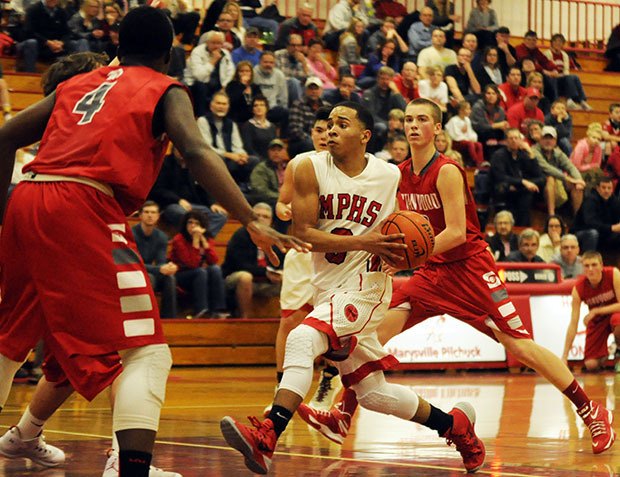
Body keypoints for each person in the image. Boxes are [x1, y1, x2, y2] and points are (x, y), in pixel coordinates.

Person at [0, 8, 306, 477]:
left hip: (28, 196)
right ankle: (132, 468)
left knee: (7, 340)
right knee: (145, 349)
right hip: (85, 203)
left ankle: (31, 435)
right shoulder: (162, 87)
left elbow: (5, 137)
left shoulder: (78, 83)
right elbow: (198, 151)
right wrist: (249, 218)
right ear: (169, 54)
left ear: (119, 45)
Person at [297, 98, 615, 459]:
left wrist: (407, 257)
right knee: (369, 337)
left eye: (422, 120)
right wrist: (393, 253)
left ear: (437, 129)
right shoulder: (399, 174)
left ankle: (591, 410)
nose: (413, 125)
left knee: (521, 347)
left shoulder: (446, 170)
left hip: (470, 270)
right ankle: (342, 414)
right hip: (432, 273)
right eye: (409, 119)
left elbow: (457, 233)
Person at [220, 101, 486, 475]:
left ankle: (267, 435)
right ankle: (455, 426)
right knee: (375, 394)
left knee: (301, 339)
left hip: (368, 286)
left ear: (364, 136)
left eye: (341, 125)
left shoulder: (389, 175)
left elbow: (422, 215)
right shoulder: (307, 167)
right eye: (328, 124)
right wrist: (365, 241)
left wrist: (411, 247)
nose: (330, 130)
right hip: (328, 287)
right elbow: (305, 235)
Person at [222, 203, 285, 318]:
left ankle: (282, 317)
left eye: (265, 217)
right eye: (257, 216)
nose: (261, 219)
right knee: (245, 277)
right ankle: (246, 316)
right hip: (235, 279)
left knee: (288, 277)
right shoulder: (240, 235)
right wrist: (266, 272)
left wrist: (279, 272)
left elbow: (281, 261)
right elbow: (239, 264)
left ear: (271, 221)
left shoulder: (273, 238)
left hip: (265, 281)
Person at [149, 147, 229, 238]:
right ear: (174, 150)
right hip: (172, 205)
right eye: (179, 149)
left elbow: (202, 187)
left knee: (220, 216)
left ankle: (202, 238)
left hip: (194, 205)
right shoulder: (165, 163)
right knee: (183, 214)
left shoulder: (194, 164)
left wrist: (211, 204)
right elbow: (158, 190)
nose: (182, 152)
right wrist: (178, 200)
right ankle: (191, 239)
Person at [563, 251, 620, 371]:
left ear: (601, 265)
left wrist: (596, 311)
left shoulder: (613, 274)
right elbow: (573, 324)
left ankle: (618, 352)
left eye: (594, 265)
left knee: (618, 321)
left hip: (615, 314)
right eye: (586, 266)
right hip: (598, 321)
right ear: (583, 268)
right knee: (591, 365)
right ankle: (606, 352)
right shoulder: (578, 288)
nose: (590, 269)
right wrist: (564, 356)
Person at [169, 211, 228, 318]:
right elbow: (191, 264)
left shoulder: (207, 238)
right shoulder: (179, 239)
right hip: (181, 274)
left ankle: (218, 309)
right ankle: (201, 310)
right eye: (190, 223)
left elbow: (214, 260)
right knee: (200, 272)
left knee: (215, 269)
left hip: (200, 274)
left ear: (202, 226)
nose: (193, 226)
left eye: (196, 223)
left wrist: (203, 241)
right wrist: (195, 242)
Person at [197, 90, 260, 189]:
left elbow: (238, 146)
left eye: (224, 104)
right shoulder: (203, 121)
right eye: (218, 103)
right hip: (213, 159)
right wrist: (229, 155)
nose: (221, 106)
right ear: (211, 105)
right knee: (228, 164)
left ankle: (247, 187)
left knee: (253, 161)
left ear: (228, 107)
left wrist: (242, 155)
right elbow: (207, 148)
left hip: (230, 159)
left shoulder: (231, 124)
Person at [490, 128, 545, 226]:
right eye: (511, 138)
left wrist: (531, 153)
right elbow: (500, 176)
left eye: (516, 138)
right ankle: (520, 227)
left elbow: (539, 176)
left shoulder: (523, 154)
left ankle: (523, 228)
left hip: (520, 189)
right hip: (504, 190)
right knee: (519, 192)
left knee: (536, 186)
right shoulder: (498, 155)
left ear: (521, 140)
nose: (514, 140)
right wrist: (522, 182)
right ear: (506, 141)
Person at [133, 201, 178, 319]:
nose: (150, 215)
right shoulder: (131, 234)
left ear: (158, 216)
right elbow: (134, 263)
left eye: (153, 212)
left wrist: (168, 268)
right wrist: (159, 268)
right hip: (133, 272)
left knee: (170, 278)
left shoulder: (161, 236)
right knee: (150, 278)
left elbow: (160, 262)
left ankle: (169, 318)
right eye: (146, 212)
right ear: (140, 216)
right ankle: (146, 317)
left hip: (149, 271)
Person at [534, 125, 585, 216]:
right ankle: (552, 216)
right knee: (550, 178)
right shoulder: (534, 150)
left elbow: (571, 167)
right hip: (537, 185)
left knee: (577, 186)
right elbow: (546, 168)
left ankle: (578, 218)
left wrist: (579, 180)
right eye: (545, 138)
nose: (548, 141)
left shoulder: (558, 152)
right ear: (540, 139)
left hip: (557, 182)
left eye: (551, 138)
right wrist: (567, 178)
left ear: (555, 141)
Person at [184, 31, 235, 117]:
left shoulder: (225, 53)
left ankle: (227, 120)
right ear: (207, 42)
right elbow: (199, 76)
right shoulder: (197, 52)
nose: (216, 46)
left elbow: (231, 71)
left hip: (219, 85)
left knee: (233, 88)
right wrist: (213, 61)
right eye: (214, 43)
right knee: (201, 87)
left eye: (219, 43)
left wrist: (225, 85)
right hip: (197, 84)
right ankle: (201, 118)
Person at [544, 33, 592, 111]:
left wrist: (561, 75)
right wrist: (555, 74)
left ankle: (581, 101)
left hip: (561, 77)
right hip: (551, 78)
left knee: (574, 77)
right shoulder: (546, 54)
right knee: (554, 79)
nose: (558, 43)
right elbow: (547, 68)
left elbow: (566, 70)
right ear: (552, 43)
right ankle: (557, 102)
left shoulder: (565, 55)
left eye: (560, 42)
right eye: (556, 41)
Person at [573, 176, 620, 252]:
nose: (606, 191)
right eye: (603, 188)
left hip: (603, 232)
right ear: (597, 188)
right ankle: (588, 258)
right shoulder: (590, 200)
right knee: (593, 233)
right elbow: (590, 223)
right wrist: (611, 228)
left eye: (609, 188)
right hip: (582, 233)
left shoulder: (614, 201)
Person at [444, 100, 483, 166]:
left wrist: (472, 138)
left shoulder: (467, 120)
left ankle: (481, 162)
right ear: (461, 110)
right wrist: (466, 137)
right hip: (456, 142)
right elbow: (455, 135)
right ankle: (476, 161)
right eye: (467, 109)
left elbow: (471, 132)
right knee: (470, 144)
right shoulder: (454, 120)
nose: (470, 111)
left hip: (465, 141)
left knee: (478, 144)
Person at [239, 95, 277, 161]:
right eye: (256, 105)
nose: (259, 107)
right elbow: (248, 147)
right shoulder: (248, 125)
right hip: (256, 159)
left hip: (272, 160)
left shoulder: (272, 126)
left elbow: (274, 145)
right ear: (252, 109)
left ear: (266, 108)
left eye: (262, 105)